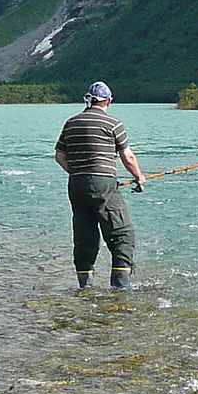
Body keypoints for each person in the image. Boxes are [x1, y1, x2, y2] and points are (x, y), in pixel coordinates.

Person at [54, 81, 147, 289]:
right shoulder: (114, 124)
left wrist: (79, 173)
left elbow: (60, 156)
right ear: (109, 101)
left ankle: (85, 288)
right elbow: (128, 157)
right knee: (123, 234)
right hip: (104, 185)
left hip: (76, 186)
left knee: (84, 237)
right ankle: (120, 289)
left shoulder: (71, 123)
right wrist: (139, 177)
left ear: (89, 100)